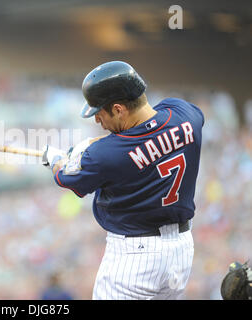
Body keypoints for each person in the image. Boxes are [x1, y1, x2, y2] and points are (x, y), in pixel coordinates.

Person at [42, 61, 204, 300]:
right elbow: (156, 127)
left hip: (134, 259)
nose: (98, 121)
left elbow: (66, 177)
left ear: (119, 109)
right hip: (180, 252)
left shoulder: (106, 154)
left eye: (99, 113)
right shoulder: (184, 113)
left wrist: (56, 159)